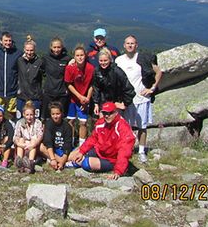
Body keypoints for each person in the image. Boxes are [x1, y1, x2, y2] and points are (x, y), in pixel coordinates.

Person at [115, 35, 163, 163]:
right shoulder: (118, 60)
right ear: (124, 45)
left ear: (136, 45)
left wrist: (152, 88)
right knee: (125, 126)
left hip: (141, 97)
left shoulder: (143, 59)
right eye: (128, 43)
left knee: (142, 127)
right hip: (125, 99)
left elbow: (158, 72)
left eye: (133, 43)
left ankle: (141, 151)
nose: (130, 45)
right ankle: (126, 149)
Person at [66, 102, 135, 179]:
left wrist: (118, 171)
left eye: (110, 113)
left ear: (116, 112)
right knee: (73, 155)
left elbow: (124, 151)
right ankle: (63, 162)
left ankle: (75, 163)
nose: (107, 116)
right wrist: (82, 151)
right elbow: (92, 139)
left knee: (86, 163)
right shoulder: (101, 122)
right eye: (105, 113)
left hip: (112, 159)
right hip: (99, 151)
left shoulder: (123, 127)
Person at [64, 44, 94, 147]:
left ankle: (82, 146)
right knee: (71, 121)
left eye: (82, 55)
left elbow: (91, 85)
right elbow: (68, 84)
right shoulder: (70, 68)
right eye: (77, 55)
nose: (80, 57)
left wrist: (87, 99)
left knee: (83, 122)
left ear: (85, 56)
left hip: (84, 99)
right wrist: (79, 96)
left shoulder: (90, 68)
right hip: (73, 98)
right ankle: (70, 144)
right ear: (74, 57)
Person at [91, 48, 135, 117]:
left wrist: (125, 104)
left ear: (110, 60)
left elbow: (129, 89)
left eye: (105, 60)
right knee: (103, 125)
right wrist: (96, 103)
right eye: (101, 61)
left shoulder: (117, 71)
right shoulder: (97, 71)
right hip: (103, 103)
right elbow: (96, 88)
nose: (103, 63)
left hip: (116, 103)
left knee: (116, 125)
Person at [0, 31, 23, 120]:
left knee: (11, 115)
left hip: (12, 92)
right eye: (5, 40)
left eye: (9, 41)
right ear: (1, 41)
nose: (8, 43)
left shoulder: (18, 53)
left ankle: (11, 131)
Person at [40, 37, 71, 120]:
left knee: (62, 118)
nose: (56, 49)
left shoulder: (67, 59)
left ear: (62, 47)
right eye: (54, 47)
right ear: (51, 47)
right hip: (48, 93)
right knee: (46, 118)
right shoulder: (45, 58)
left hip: (62, 94)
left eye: (58, 47)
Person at [40, 102, 73, 171]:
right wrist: (53, 159)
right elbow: (48, 143)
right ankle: (59, 161)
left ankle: (61, 162)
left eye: (58, 114)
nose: (55, 116)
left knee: (78, 151)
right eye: (53, 114)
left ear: (62, 113)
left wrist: (61, 162)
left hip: (64, 151)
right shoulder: (48, 124)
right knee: (41, 147)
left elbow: (68, 146)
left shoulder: (67, 126)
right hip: (52, 151)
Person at [16, 37, 43, 119]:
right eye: (27, 50)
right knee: (20, 121)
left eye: (31, 50)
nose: (29, 52)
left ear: (34, 50)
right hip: (21, 97)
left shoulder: (40, 62)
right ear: (24, 49)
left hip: (35, 98)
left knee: (35, 121)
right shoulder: (19, 61)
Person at [13, 101, 44, 173]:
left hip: (34, 145)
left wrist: (33, 144)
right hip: (23, 145)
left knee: (33, 139)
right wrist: (21, 144)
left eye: (31, 115)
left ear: (34, 115)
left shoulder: (38, 122)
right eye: (27, 115)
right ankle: (20, 162)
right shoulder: (20, 122)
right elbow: (15, 137)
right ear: (23, 114)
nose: (29, 117)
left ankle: (30, 163)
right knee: (20, 139)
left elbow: (40, 136)